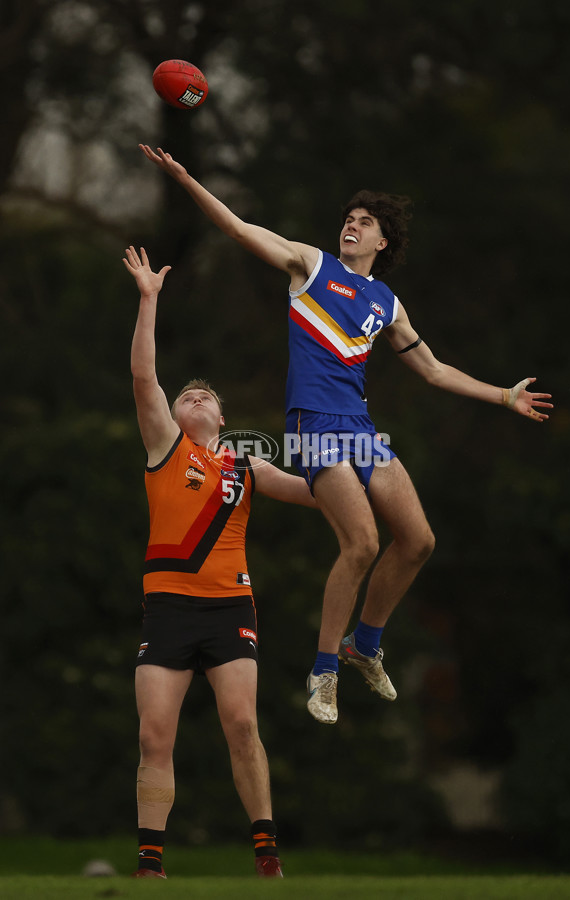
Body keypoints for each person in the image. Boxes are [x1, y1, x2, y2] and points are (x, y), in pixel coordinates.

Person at [139, 146, 553, 726]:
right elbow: (237, 228)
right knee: (360, 543)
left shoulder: (386, 303)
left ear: (382, 242)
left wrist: (504, 396)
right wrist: (187, 178)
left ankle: (365, 644)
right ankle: (325, 669)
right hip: (312, 425)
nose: (351, 226)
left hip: (359, 428)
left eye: (365, 222)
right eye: (348, 219)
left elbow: (434, 370)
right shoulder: (311, 267)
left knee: (418, 541)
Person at [123, 245, 317, 878]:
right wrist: (149, 299)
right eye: (188, 394)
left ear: (225, 419)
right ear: (174, 416)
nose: (198, 395)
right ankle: (151, 864)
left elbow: (315, 492)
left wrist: (367, 474)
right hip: (169, 610)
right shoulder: (165, 447)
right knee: (154, 736)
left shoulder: (246, 465)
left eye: (207, 395)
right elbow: (144, 379)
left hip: (230, 607)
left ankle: (267, 854)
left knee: (241, 724)